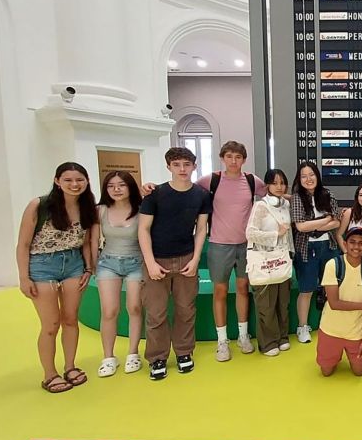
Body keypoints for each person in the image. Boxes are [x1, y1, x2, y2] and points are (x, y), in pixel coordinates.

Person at [16, 162, 97, 393]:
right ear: (57, 181)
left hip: (73, 264)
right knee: (50, 324)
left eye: (79, 179)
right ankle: (49, 374)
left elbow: (87, 241)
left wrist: (88, 269)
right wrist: (24, 277)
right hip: (42, 264)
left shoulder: (87, 206)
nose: (74, 184)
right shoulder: (39, 205)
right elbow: (22, 244)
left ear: (87, 181)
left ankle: (70, 366)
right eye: (68, 180)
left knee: (71, 319)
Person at [138, 147, 212, 380]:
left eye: (187, 164)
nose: (182, 169)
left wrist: (196, 258)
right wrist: (150, 263)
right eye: (177, 164)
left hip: (186, 258)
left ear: (194, 166)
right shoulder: (155, 194)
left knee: (185, 310)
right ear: (169, 166)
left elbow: (201, 229)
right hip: (157, 259)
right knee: (156, 313)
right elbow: (143, 229)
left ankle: (183, 352)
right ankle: (157, 357)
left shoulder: (201, 195)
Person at [195, 141, 267, 362]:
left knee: (244, 288)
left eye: (238, 157)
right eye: (229, 156)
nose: (233, 161)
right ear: (222, 158)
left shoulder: (252, 181)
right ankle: (222, 340)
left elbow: (274, 195)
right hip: (219, 244)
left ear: (243, 160)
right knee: (220, 291)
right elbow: (185, 190)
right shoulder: (211, 180)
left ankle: (243, 336)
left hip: (247, 244)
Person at [90, 171, 144, 377]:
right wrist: (93, 264)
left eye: (121, 185)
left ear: (130, 187)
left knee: (135, 307)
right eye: (111, 186)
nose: (116, 189)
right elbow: (94, 240)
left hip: (136, 262)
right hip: (108, 262)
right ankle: (108, 357)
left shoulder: (141, 210)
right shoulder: (100, 210)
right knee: (109, 310)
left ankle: (133, 353)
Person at [316, 226, 362, 377]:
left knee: (359, 371)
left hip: (355, 332)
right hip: (330, 329)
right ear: (345, 244)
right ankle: (332, 355)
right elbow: (334, 303)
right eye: (352, 242)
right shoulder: (333, 265)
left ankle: (350, 353)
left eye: (361, 243)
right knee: (326, 372)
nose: (356, 247)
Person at [290, 161, 340, 344]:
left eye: (311, 175)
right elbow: (300, 226)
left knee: (331, 288)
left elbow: (337, 221)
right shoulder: (297, 197)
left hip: (329, 247)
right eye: (304, 176)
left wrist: (316, 225)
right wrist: (324, 220)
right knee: (306, 289)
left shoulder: (327, 194)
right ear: (299, 178)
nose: (308, 179)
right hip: (306, 249)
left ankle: (330, 325)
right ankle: (302, 327)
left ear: (317, 176)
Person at [245, 169, 293, 357]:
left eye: (282, 183)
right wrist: (275, 235)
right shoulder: (260, 206)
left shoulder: (286, 205)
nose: (279, 187)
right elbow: (250, 233)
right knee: (266, 304)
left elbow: (288, 233)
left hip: (282, 258)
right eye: (275, 183)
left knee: (282, 302)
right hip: (264, 259)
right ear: (267, 186)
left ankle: (282, 337)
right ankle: (268, 342)